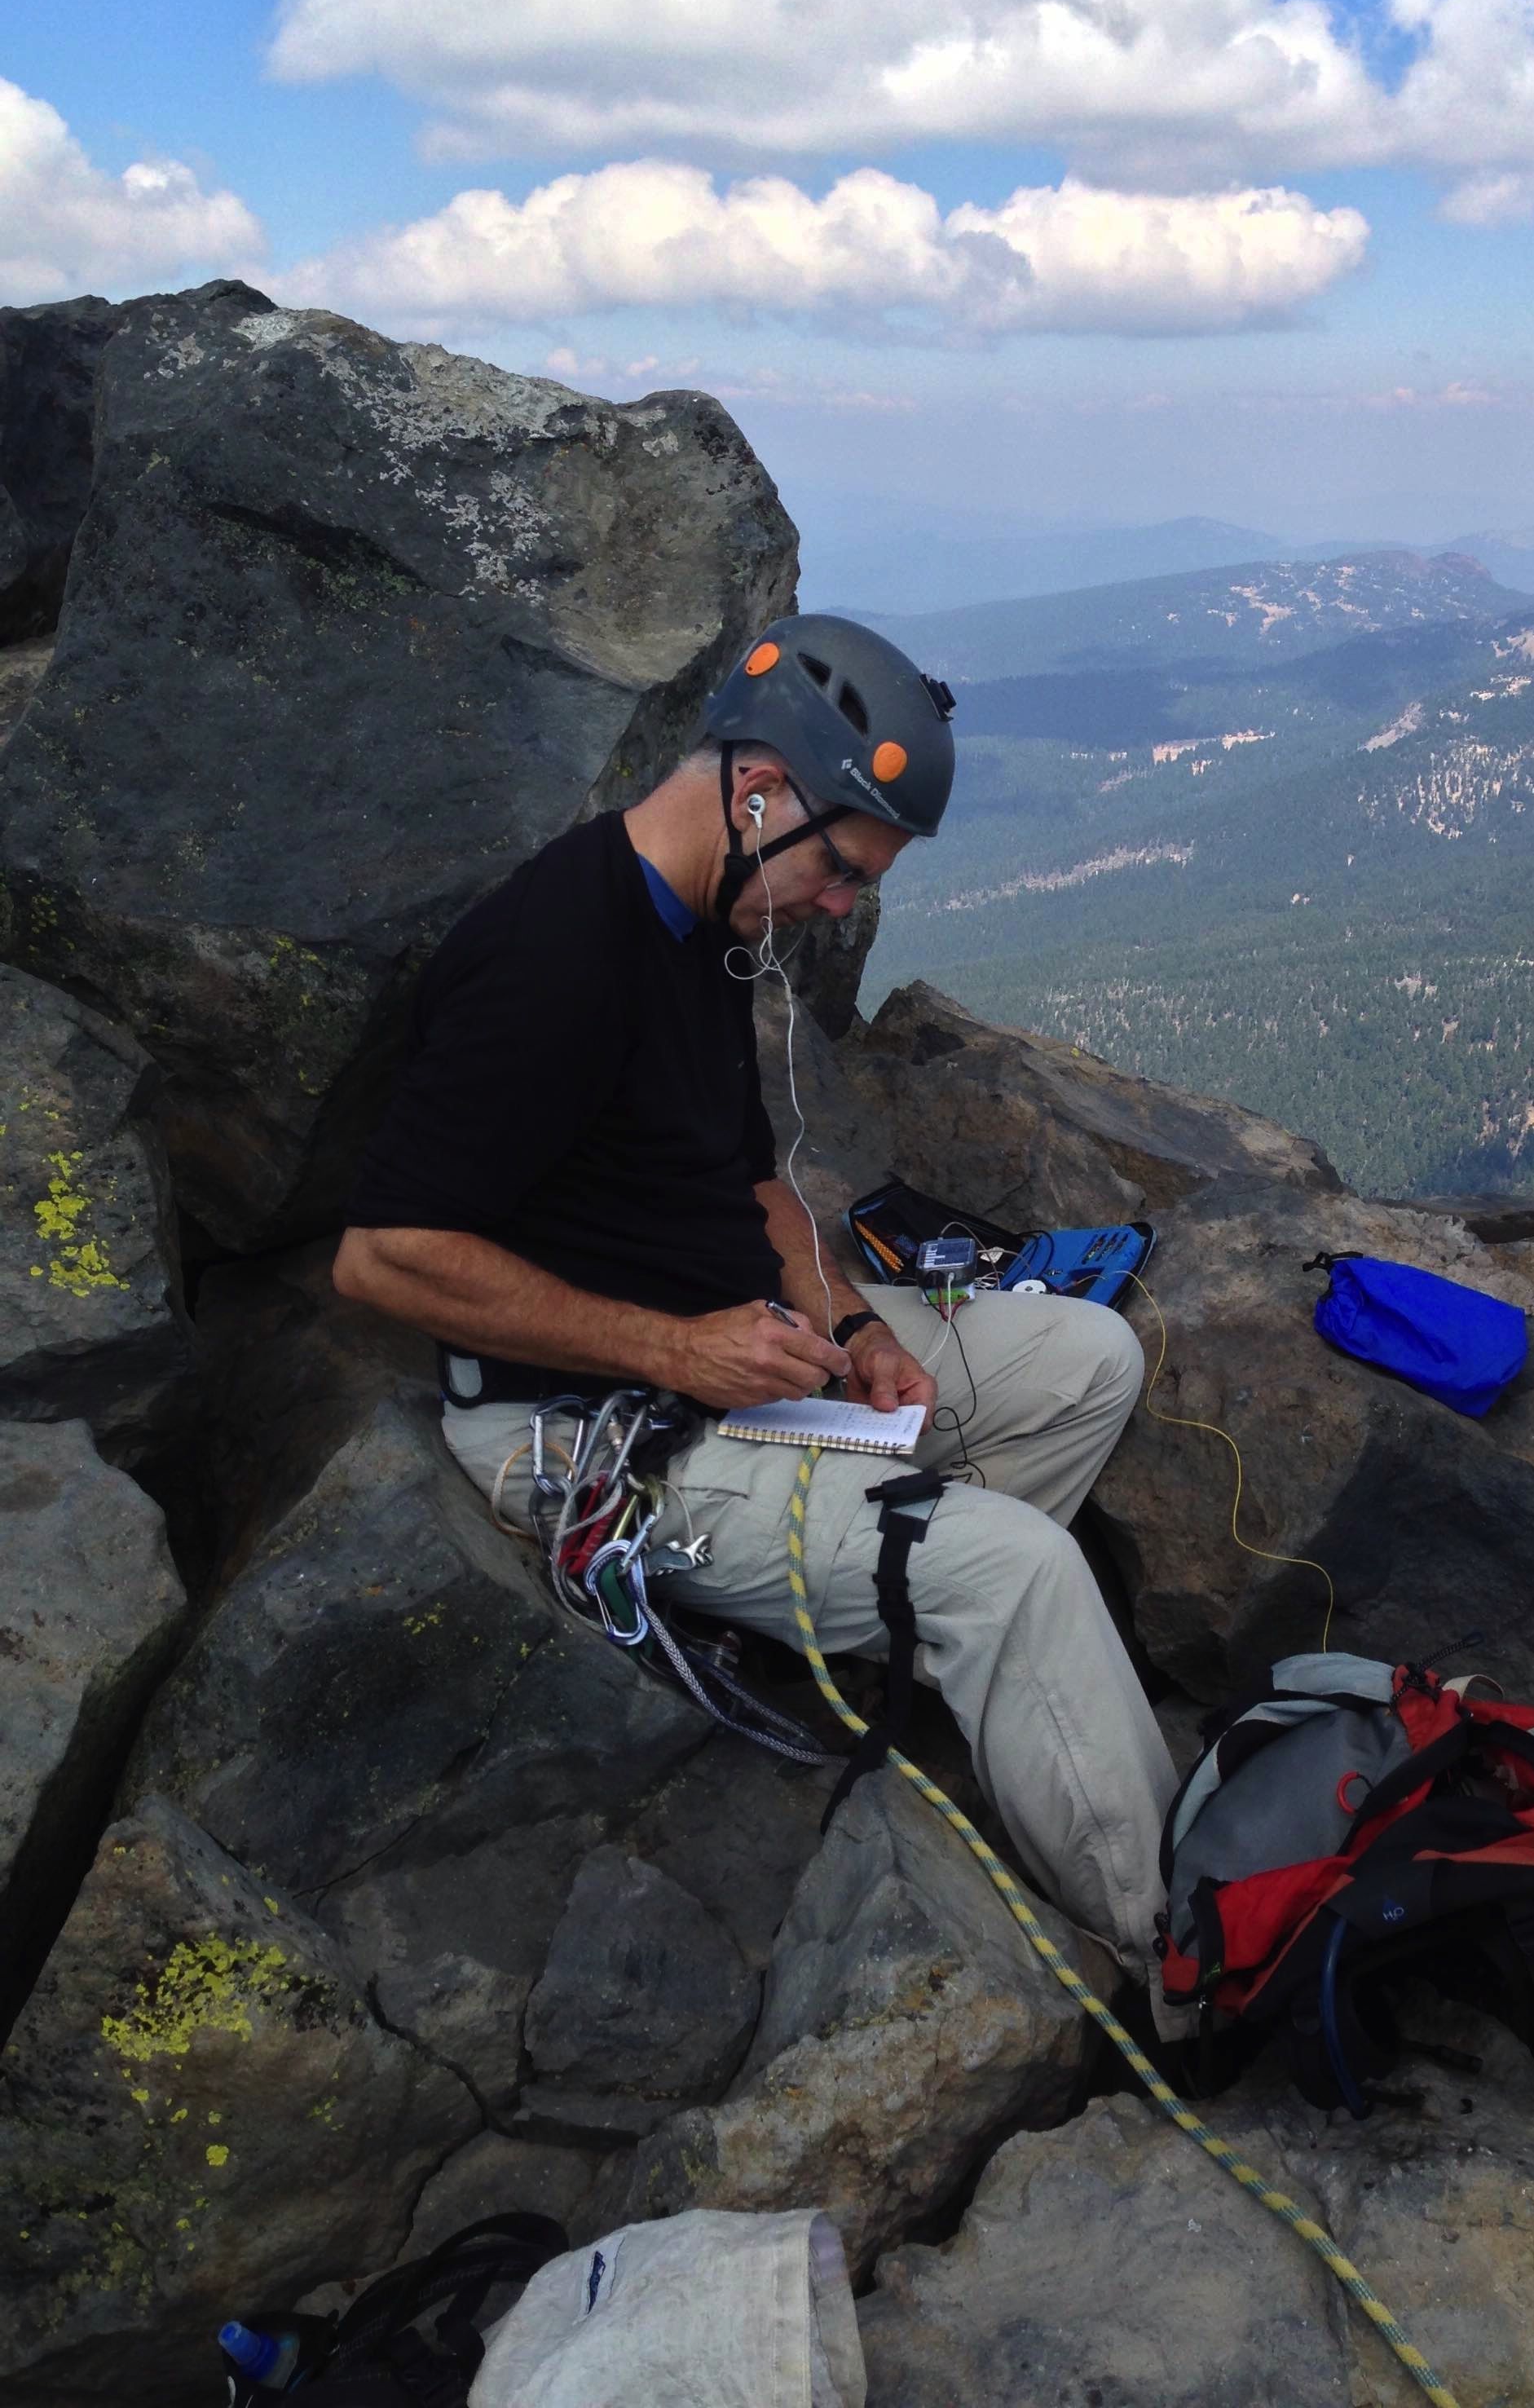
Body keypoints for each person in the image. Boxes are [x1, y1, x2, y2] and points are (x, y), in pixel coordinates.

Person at [333, 614, 1184, 2021]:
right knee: (1022, 1573)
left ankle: (908, 1636)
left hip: (745, 1357)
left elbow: (759, 1191)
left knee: (1089, 1357)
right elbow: (383, 1259)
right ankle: (1179, 1965)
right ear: (758, 795)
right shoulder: (551, 957)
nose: (840, 907)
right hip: (594, 1432)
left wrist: (857, 1334)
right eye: (841, 869)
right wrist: (675, 1350)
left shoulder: (695, 927)